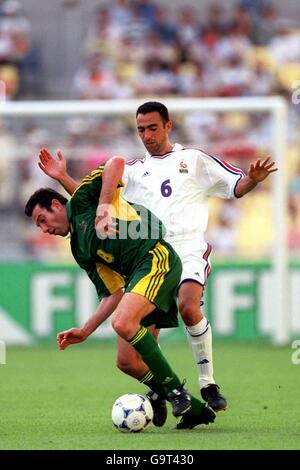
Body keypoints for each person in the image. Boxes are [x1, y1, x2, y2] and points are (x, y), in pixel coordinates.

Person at [37, 101, 277, 428]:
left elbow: (235, 187)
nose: (146, 136)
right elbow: (86, 201)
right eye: (140, 130)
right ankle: (168, 395)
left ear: (168, 126)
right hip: (148, 252)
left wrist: (254, 179)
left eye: (152, 128)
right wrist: (64, 177)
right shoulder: (135, 170)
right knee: (130, 354)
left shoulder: (193, 160)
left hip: (187, 246)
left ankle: (207, 384)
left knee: (190, 308)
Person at [24, 159, 216, 430]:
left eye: (42, 220)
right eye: (39, 227)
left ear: (56, 205)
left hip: (156, 258)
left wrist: (103, 207)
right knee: (126, 362)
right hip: (138, 278)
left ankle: (175, 392)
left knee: (123, 322)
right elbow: (113, 293)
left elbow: (114, 162)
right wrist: (86, 330)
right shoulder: (80, 249)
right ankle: (194, 410)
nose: (45, 230)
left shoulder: (82, 199)